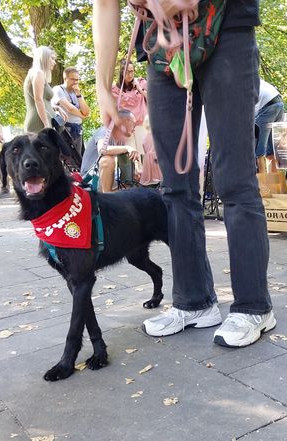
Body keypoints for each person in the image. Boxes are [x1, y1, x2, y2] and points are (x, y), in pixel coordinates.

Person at [93, 0, 275, 348]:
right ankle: (195, 302)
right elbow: (105, 4)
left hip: (227, 29)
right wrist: (103, 87)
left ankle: (255, 306)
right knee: (175, 187)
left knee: (235, 179)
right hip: (162, 47)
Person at [80, 109, 140, 193]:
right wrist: (127, 148)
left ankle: (110, 196)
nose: (134, 128)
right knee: (108, 159)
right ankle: (107, 197)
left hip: (106, 179)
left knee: (130, 182)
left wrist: (135, 171)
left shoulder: (120, 139)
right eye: (134, 124)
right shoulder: (105, 130)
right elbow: (102, 150)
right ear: (125, 121)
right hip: (90, 179)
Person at [112, 60, 149, 182]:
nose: (130, 74)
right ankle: (127, 183)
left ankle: (145, 183)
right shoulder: (116, 89)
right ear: (122, 73)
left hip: (140, 125)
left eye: (132, 71)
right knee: (128, 158)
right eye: (127, 71)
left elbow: (152, 99)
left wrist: (139, 88)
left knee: (144, 155)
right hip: (125, 128)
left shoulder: (141, 83)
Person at [52, 67, 90, 155]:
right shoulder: (58, 90)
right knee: (66, 158)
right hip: (64, 131)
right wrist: (82, 116)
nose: (76, 82)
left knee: (77, 158)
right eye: (73, 79)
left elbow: (87, 111)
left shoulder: (77, 93)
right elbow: (70, 108)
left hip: (77, 130)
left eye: (77, 80)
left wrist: (79, 95)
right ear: (65, 78)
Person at [23, 46, 58, 133]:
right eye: (52, 58)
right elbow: (38, 99)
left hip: (41, 122)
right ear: (44, 58)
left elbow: (42, 101)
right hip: (39, 124)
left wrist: (55, 108)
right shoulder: (38, 73)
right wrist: (46, 124)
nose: (54, 62)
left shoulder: (37, 74)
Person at [254, 78, 284, 173]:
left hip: (267, 106)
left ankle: (262, 186)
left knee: (258, 152)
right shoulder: (251, 75)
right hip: (278, 102)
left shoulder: (239, 83)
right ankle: (273, 185)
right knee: (271, 151)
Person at [139, 115, 163, 186]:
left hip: (147, 159)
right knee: (159, 174)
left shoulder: (145, 137)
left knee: (151, 175)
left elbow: (144, 148)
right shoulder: (156, 135)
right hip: (156, 157)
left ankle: (152, 181)